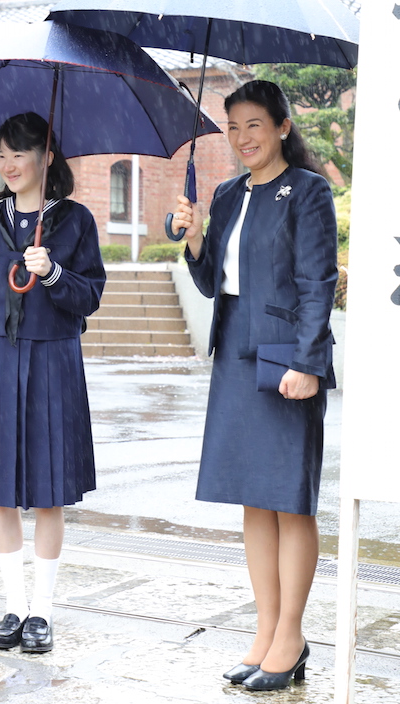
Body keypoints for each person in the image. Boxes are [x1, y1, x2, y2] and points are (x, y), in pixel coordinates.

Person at [172, 80, 337, 691]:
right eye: (233, 127)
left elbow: (319, 283)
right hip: (236, 355)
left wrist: (308, 362)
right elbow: (213, 281)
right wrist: (194, 236)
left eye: (254, 125)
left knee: (289, 500)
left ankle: (290, 636)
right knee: (253, 499)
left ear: (283, 126)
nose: (243, 138)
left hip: (286, 358)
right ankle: (265, 633)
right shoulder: (226, 193)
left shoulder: (308, 192)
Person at [0, 112, 105, 653]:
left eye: (20, 154)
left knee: (49, 491)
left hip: (54, 362)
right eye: (2, 154)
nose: (8, 164)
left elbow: (90, 297)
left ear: (46, 158)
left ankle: (42, 613)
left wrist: (53, 272)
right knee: (0, 490)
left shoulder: (76, 222)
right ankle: (12, 607)